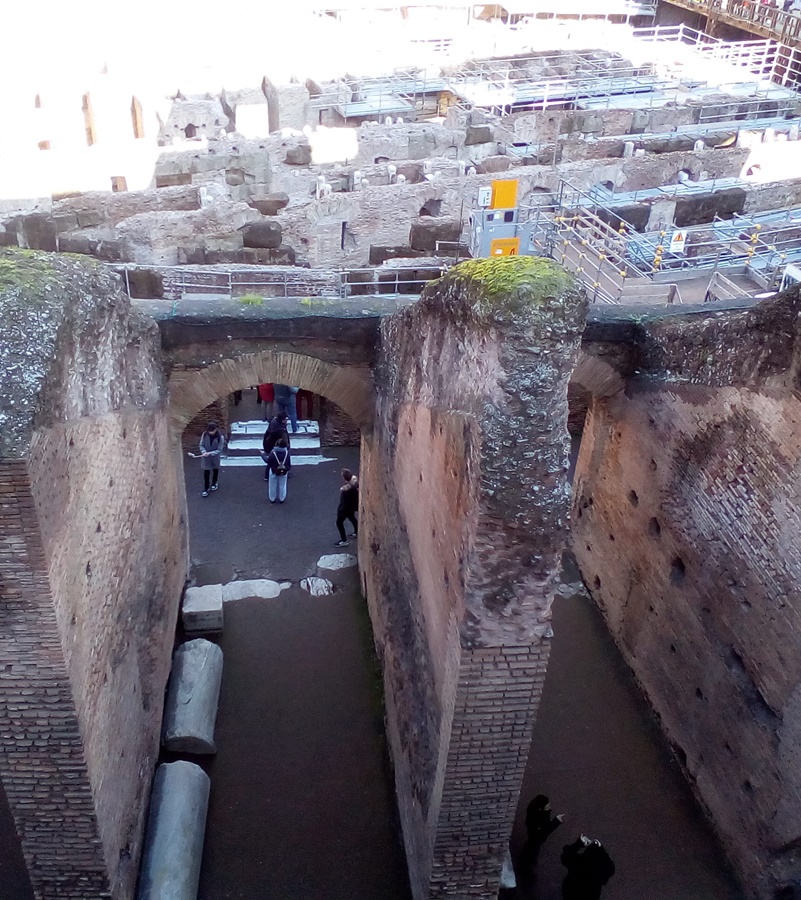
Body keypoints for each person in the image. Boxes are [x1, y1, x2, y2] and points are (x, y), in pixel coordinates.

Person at [561, 835, 615, 900]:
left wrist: (580, 843)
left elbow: (565, 855)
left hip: (570, 893)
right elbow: (611, 868)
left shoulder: (578, 862)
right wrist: (600, 848)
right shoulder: (599, 872)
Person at [521, 794, 564, 869]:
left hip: (534, 836)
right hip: (536, 837)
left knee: (531, 846)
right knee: (533, 848)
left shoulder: (535, 811)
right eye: (547, 804)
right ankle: (526, 865)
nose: (549, 805)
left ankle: (527, 861)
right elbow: (546, 829)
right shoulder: (540, 816)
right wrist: (556, 821)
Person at [199, 422, 225, 497]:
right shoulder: (204, 434)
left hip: (215, 457)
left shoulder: (220, 437)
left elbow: (219, 449)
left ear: (215, 430)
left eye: (212, 431)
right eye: (209, 431)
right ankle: (206, 488)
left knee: (215, 470)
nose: (210, 432)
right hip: (206, 457)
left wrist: (210, 453)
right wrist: (204, 452)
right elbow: (201, 445)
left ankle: (214, 482)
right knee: (206, 472)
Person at [335, 468, 359, 547]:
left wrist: (340, 510)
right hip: (351, 507)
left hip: (345, 509)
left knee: (339, 523)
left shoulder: (346, 491)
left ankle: (344, 540)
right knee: (352, 518)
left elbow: (344, 503)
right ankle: (357, 532)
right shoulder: (354, 484)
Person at [262, 414, 290, 480]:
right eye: (285, 419)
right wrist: (287, 446)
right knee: (282, 459)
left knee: (271, 461)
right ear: (282, 420)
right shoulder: (281, 430)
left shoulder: (273, 422)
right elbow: (285, 439)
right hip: (277, 445)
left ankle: (267, 476)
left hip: (268, 443)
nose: (286, 421)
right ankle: (283, 471)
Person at [266, 437, 291, 504]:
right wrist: (287, 469)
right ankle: (282, 498)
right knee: (282, 485)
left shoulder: (273, 452)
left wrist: (262, 455)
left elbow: (268, 461)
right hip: (284, 471)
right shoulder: (286, 453)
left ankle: (272, 498)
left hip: (274, 470)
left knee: (272, 485)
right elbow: (289, 464)